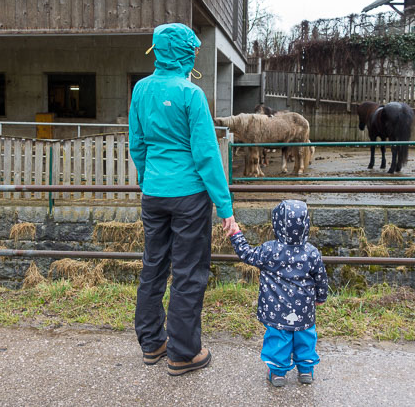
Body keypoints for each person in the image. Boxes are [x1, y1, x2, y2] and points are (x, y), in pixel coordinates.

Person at [129, 23, 238, 376]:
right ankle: (183, 352)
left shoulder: (140, 90)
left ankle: (152, 343)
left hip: (154, 194)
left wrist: (148, 181)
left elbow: (138, 144)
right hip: (189, 196)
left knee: (153, 265)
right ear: (186, 53)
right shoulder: (191, 95)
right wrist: (225, 208)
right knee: (189, 272)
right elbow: (207, 155)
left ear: (158, 51)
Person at [229, 200, 328, 387]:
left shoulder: (269, 250)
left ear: (277, 224)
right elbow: (321, 278)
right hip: (304, 308)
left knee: (279, 339)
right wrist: (321, 297)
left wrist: (236, 234)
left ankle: (278, 373)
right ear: (306, 224)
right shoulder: (312, 252)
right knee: (305, 336)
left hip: (276, 309)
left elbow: (247, 254)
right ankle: (306, 370)